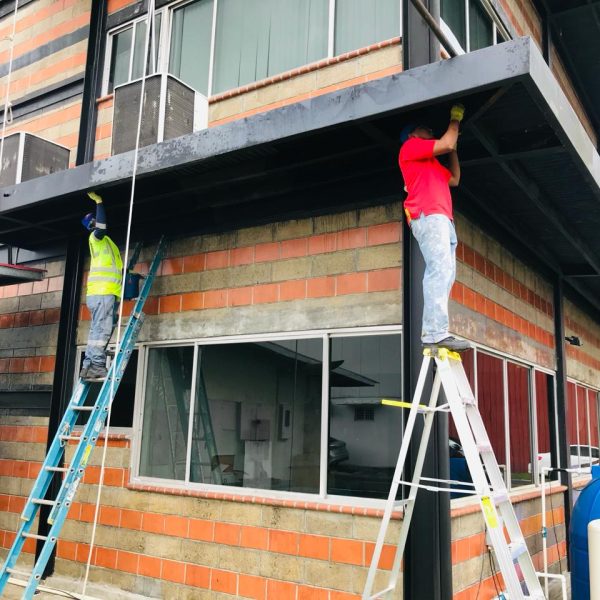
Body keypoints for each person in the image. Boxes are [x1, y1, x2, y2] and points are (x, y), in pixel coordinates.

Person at [398, 104, 470, 352]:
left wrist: (454, 149)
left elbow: (455, 179)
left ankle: (438, 330)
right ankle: (434, 332)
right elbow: (447, 142)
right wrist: (454, 120)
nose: (429, 129)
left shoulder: (430, 163)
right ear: (412, 135)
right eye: (424, 128)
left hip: (443, 219)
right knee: (439, 270)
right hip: (428, 215)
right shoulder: (409, 147)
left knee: (447, 273)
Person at [80, 192, 123, 381]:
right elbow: (102, 226)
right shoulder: (96, 238)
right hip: (102, 293)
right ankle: (96, 365)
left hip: (102, 293)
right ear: (92, 225)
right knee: (102, 330)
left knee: (96, 330)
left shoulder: (104, 243)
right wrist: (99, 202)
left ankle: (88, 365)